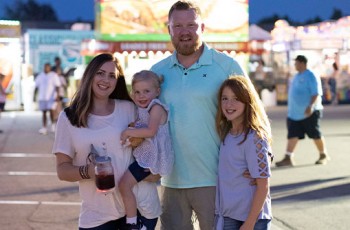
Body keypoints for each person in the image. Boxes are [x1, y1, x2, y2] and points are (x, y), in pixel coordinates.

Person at [150, 1, 246, 229]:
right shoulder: (157, 73)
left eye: (191, 25)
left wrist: (260, 160)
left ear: (202, 28)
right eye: (178, 26)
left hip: (217, 179)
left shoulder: (226, 66)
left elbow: (252, 116)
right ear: (169, 29)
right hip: (171, 181)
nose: (185, 32)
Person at [52, 53, 161, 230]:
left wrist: (156, 172)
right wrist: (90, 171)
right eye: (100, 73)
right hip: (97, 215)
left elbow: (157, 142)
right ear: (90, 75)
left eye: (112, 76)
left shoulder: (130, 108)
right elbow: (63, 171)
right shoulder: (69, 117)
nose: (106, 80)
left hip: (140, 208)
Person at [214, 76, 272, 230]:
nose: (229, 104)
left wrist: (249, 223)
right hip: (228, 215)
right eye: (224, 98)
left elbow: (263, 186)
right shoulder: (225, 133)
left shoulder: (254, 137)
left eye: (236, 99)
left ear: (248, 102)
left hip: (253, 219)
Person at [119, 70, 174, 229]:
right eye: (137, 92)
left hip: (152, 159)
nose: (141, 96)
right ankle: (138, 221)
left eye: (146, 91)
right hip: (147, 157)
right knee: (131, 187)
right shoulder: (141, 109)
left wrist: (128, 132)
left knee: (124, 185)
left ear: (157, 91)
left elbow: (151, 131)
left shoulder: (156, 107)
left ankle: (132, 223)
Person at [276, 55, 330, 167]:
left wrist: (310, 106)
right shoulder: (296, 76)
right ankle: (288, 157)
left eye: (296, 63)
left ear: (302, 63)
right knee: (292, 135)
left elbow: (316, 93)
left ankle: (323, 154)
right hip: (294, 113)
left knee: (315, 134)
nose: (295, 65)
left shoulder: (311, 75)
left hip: (308, 112)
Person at [33, 63, 61, 134]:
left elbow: (57, 86)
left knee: (52, 111)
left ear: (50, 68)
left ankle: (53, 124)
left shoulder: (53, 75)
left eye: (47, 67)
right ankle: (44, 127)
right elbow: (36, 87)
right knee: (44, 112)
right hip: (42, 97)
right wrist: (34, 96)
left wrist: (57, 95)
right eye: (45, 67)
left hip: (51, 97)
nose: (46, 68)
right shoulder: (40, 76)